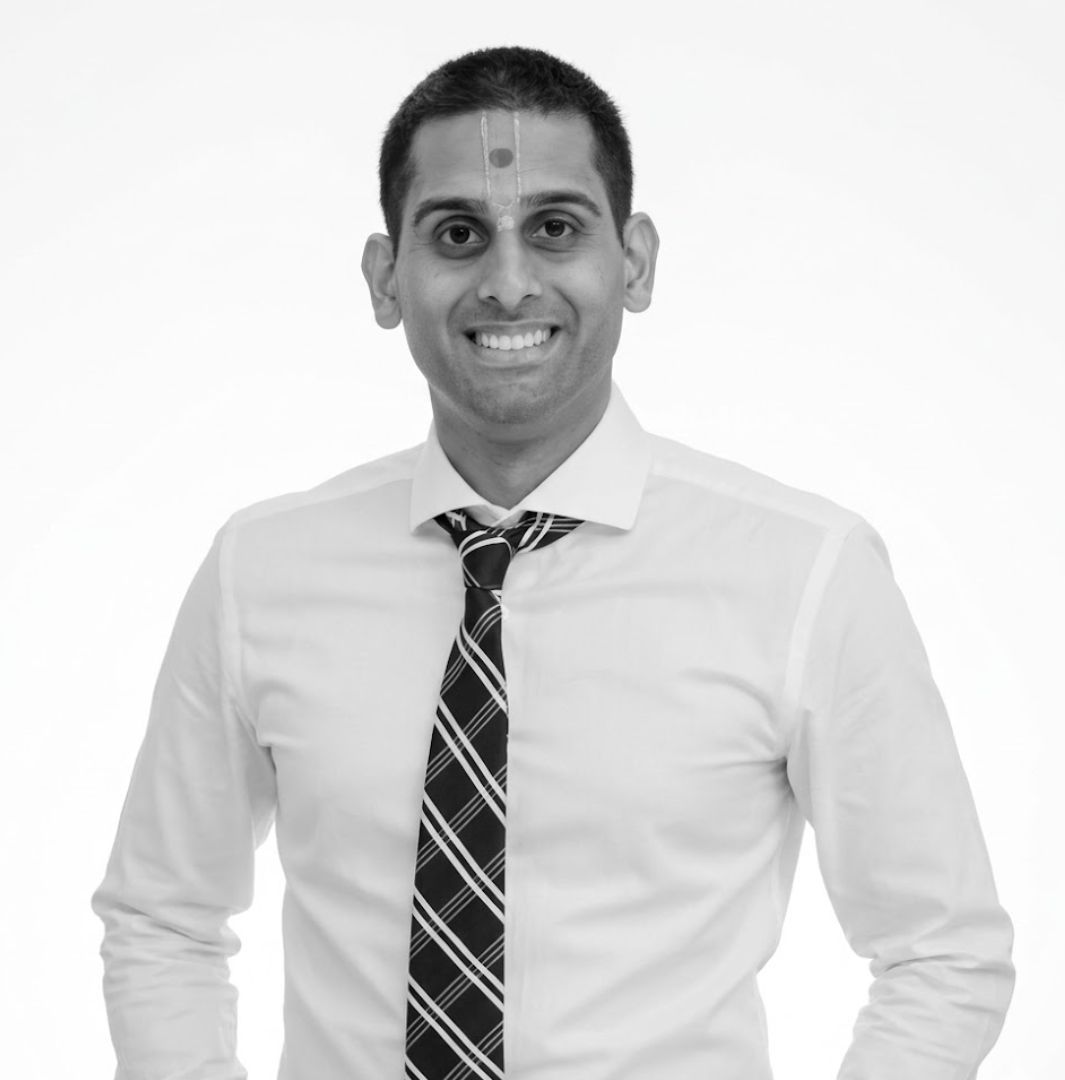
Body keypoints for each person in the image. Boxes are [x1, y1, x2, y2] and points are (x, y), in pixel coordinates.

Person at [91, 45, 1015, 1080]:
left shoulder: (805, 573)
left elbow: (942, 949)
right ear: (386, 278)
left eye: (556, 228)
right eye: (457, 234)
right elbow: (163, 915)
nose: (507, 282)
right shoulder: (262, 570)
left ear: (636, 262)